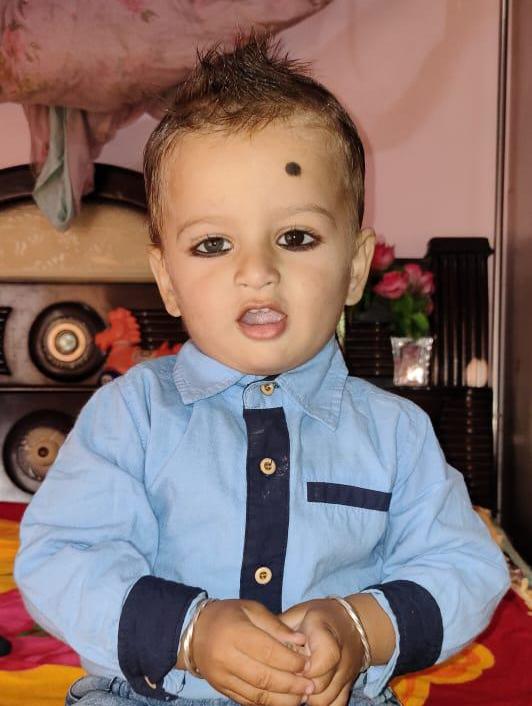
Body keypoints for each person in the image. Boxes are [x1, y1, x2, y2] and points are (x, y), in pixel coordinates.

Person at [14, 34, 509, 706]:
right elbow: (58, 559)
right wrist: (188, 632)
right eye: (213, 243)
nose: (256, 271)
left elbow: (468, 567)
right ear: (167, 278)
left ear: (355, 267)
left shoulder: (397, 435)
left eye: (295, 238)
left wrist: (362, 628)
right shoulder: (130, 416)